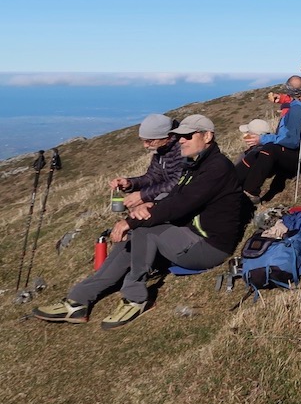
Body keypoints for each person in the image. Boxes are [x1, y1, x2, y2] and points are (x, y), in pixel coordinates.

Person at [32, 115, 251, 329]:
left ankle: (136, 298)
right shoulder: (194, 164)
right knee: (131, 239)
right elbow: (176, 196)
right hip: (188, 234)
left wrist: (132, 221)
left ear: (207, 136)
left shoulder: (216, 168)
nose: (181, 140)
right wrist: (149, 206)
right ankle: (78, 300)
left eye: (188, 136)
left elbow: (181, 204)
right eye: (179, 136)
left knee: (143, 231)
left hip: (209, 246)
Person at [236, 76, 301, 202]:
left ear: (289, 90)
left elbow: (293, 142)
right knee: (256, 152)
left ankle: (249, 192)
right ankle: (232, 184)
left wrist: (263, 139)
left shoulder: (297, 110)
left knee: (269, 149)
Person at [110, 114, 185, 208]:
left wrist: (143, 195)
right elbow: (153, 177)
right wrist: (130, 183)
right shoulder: (162, 149)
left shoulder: (183, 148)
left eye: (149, 141)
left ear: (167, 136)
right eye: (143, 140)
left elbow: (178, 183)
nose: (145, 146)